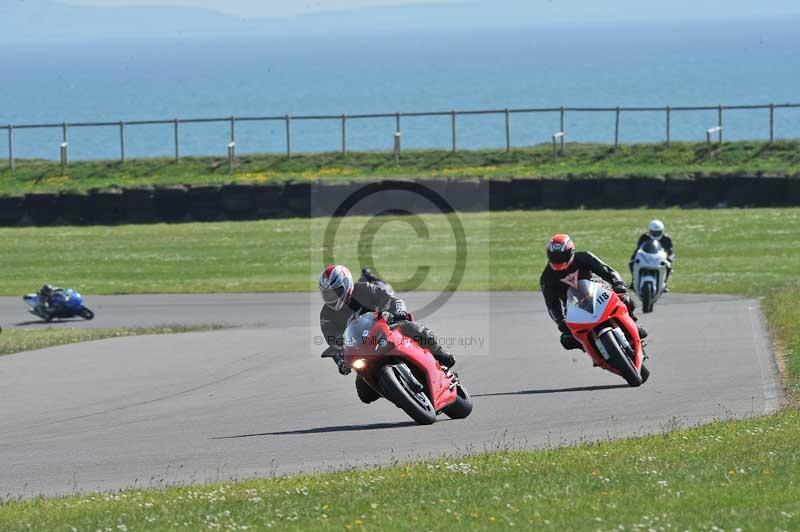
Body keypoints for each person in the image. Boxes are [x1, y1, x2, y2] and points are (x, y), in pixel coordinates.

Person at [318, 264, 455, 404]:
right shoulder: (326, 315)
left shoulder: (364, 288)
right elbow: (334, 342)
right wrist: (341, 362)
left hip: (386, 330)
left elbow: (390, 299)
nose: (331, 296)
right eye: (327, 293)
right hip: (364, 351)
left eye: (335, 291)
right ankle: (396, 391)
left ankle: (440, 355)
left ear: (346, 284)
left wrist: (397, 312)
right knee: (365, 395)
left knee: (414, 329)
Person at [540, 234, 647, 351]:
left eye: (561, 256)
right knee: (567, 340)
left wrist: (618, 284)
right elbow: (552, 305)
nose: (558, 260)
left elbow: (607, 271)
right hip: (574, 307)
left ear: (571, 251)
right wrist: (561, 321)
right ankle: (593, 349)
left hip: (599, 293)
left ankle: (632, 322)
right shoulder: (547, 278)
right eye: (554, 256)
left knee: (625, 299)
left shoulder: (584, 257)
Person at [629, 220, 675, 290]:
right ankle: (634, 280)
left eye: (658, 232)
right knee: (632, 264)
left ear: (662, 231)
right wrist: (634, 257)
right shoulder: (644, 237)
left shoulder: (667, 239)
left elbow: (670, 251)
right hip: (646, 257)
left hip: (660, 259)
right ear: (650, 231)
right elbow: (639, 249)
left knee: (668, 266)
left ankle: (664, 283)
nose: (656, 234)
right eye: (654, 232)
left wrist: (669, 259)